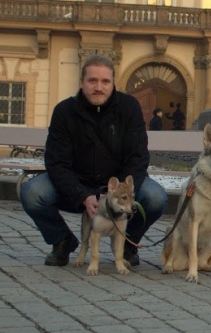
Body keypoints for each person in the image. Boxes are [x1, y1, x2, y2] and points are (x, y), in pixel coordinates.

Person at [20, 54, 168, 267]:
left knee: (156, 197)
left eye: (105, 81)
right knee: (32, 193)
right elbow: (56, 162)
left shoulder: (129, 108)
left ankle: (128, 243)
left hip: (116, 188)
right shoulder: (64, 111)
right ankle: (62, 240)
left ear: (113, 83)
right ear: (81, 83)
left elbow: (138, 157)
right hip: (76, 183)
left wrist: (116, 191)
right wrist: (82, 195)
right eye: (92, 81)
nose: (99, 87)